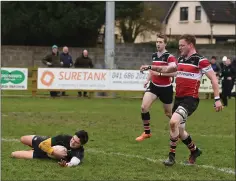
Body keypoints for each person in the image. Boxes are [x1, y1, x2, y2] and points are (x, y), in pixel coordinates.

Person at [140, 34, 223, 166]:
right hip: (178, 98)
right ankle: (194, 151)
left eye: (182, 45)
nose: (179, 48)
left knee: (173, 122)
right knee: (180, 131)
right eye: (179, 45)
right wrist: (150, 67)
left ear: (190, 45)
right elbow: (167, 69)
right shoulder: (181, 58)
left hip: (190, 100)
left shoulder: (200, 60)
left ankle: (171, 157)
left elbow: (213, 79)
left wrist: (217, 98)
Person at [136, 34, 177, 142]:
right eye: (157, 42)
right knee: (144, 107)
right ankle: (147, 132)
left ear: (165, 44)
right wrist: (147, 80)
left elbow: (174, 71)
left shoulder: (169, 57)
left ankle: (180, 128)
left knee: (168, 113)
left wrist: (160, 74)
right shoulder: (154, 55)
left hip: (166, 88)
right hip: (154, 86)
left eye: (160, 42)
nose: (158, 44)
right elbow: (152, 70)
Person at [11, 130, 89, 167]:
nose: (72, 142)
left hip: (42, 154)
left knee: (13, 154)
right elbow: (42, 144)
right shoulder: (64, 138)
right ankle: (33, 147)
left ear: (81, 144)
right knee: (22, 139)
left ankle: (32, 151)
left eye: (76, 142)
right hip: (42, 142)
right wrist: (54, 152)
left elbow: (74, 162)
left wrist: (66, 165)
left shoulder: (79, 152)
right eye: (73, 139)